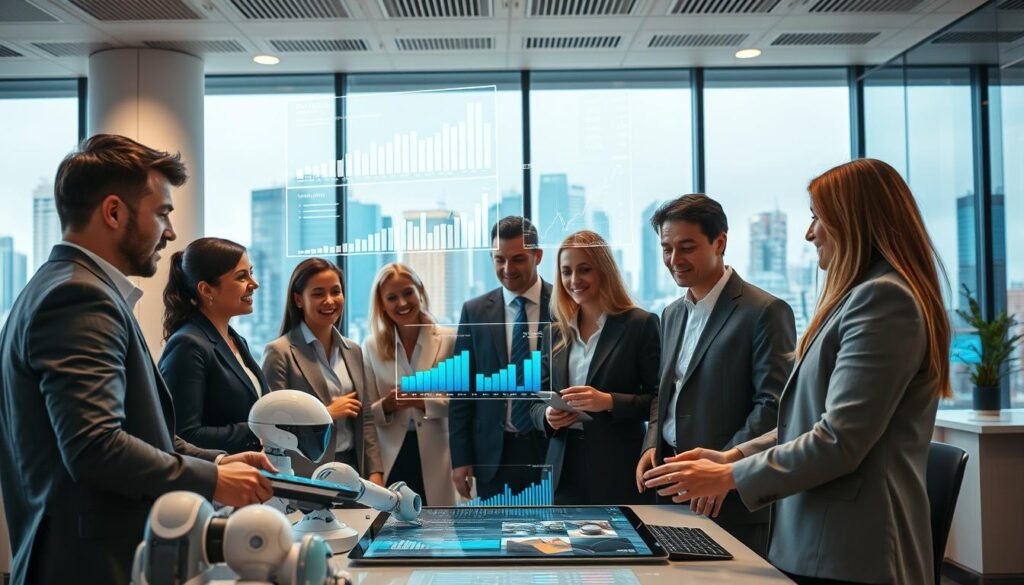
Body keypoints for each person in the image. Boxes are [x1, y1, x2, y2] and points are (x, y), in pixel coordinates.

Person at [643, 159, 951, 584]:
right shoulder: (858, 298)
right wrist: (733, 456)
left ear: (854, 221)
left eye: (817, 218)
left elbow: (839, 440)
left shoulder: (882, 300)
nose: (810, 233)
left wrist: (728, 475)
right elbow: (805, 421)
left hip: (851, 549)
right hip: (818, 540)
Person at [0, 134, 273, 585]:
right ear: (113, 212)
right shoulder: (78, 296)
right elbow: (96, 447)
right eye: (162, 213)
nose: (170, 232)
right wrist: (211, 482)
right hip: (90, 566)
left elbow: (138, 430)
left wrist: (216, 464)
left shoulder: (63, 286)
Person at [635, 194, 795, 555]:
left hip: (729, 495)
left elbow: (773, 406)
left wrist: (723, 471)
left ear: (719, 243)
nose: (674, 259)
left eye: (687, 247)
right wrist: (652, 443)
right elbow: (665, 392)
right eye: (666, 249)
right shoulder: (671, 313)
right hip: (672, 483)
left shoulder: (765, 311)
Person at [530, 230, 660, 505]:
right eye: (566, 272)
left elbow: (659, 401)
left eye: (584, 269)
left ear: (604, 270)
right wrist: (548, 415)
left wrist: (609, 401)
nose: (574, 280)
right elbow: (535, 402)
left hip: (617, 468)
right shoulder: (554, 333)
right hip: (562, 470)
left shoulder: (640, 324)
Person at [448, 216, 552, 500]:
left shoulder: (563, 306)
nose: (508, 269)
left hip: (549, 447)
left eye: (518, 259)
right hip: (493, 453)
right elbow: (461, 390)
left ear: (537, 256)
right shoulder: (475, 311)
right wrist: (460, 458)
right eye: (499, 260)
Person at [261, 258, 384, 483]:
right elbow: (272, 426)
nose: (329, 300)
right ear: (299, 300)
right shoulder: (279, 352)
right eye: (318, 293)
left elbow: (365, 419)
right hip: (305, 473)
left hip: (353, 469)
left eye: (335, 291)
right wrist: (326, 413)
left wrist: (375, 473)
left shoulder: (353, 350)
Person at [158, 237, 268, 453]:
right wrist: (258, 431)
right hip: (213, 471)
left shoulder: (237, 340)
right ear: (207, 290)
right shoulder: (188, 344)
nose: (254, 284)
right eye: (241, 277)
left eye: (251, 273)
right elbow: (182, 435)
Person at [362, 263, 457, 506]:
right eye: (392, 297)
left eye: (408, 293)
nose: (402, 303)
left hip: (439, 455)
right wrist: (388, 405)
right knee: (394, 525)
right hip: (393, 456)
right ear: (382, 304)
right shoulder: (371, 347)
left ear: (420, 291)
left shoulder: (449, 339)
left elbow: (463, 404)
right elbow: (367, 414)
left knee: (440, 524)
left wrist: (421, 401)